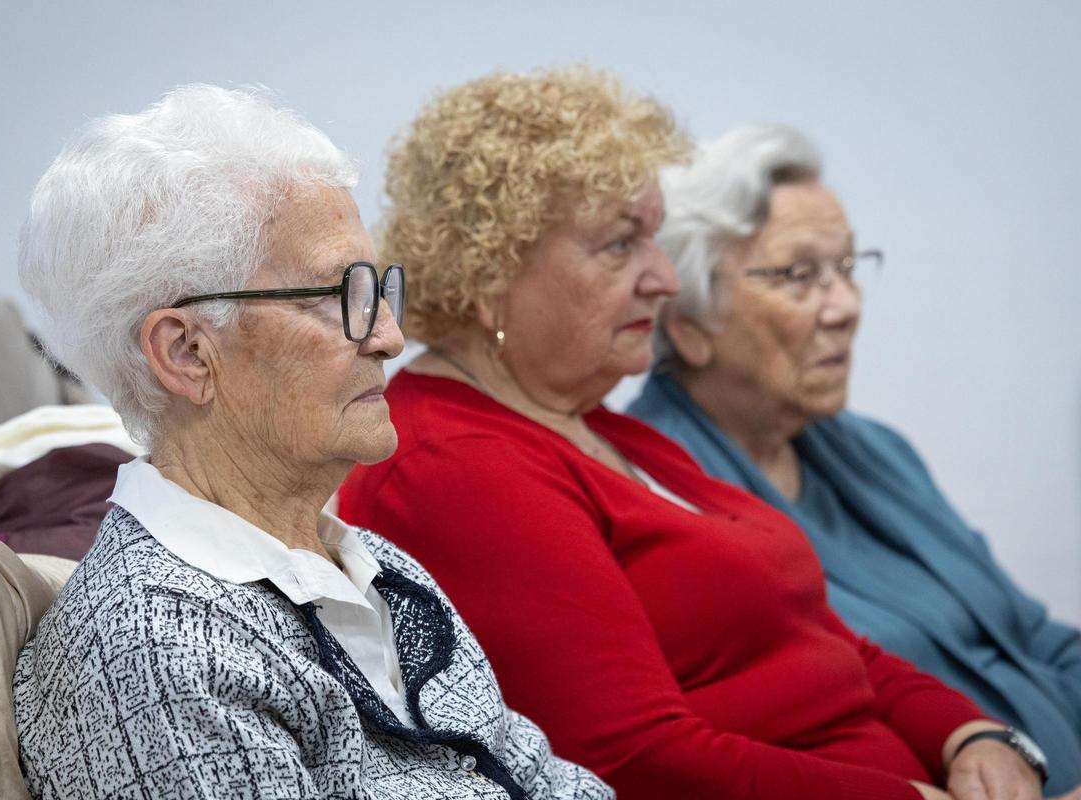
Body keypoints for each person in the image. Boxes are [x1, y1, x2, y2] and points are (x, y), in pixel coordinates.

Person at [337, 67, 1053, 800]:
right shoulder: (457, 465)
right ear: (490, 271)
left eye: (654, 237)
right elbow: (629, 761)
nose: (666, 278)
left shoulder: (599, 426)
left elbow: (830, 644)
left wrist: (972, 734)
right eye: (621, 245)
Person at [11, 84, 611, 800]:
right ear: (187, 353)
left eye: (380, 289)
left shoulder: (378, 570)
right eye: (338, 297)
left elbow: (548, 782)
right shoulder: (153, 652)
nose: (389, 335)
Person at [624, 123, 1081, 794]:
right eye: (800, 276)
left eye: (847, 268)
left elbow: (1035, 639)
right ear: (690, 324)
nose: (845, 307)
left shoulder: (873, 450)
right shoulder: (656, 495)